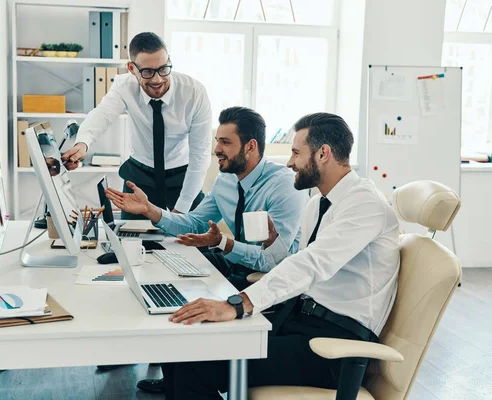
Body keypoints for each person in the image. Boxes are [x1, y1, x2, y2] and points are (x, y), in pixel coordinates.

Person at [152, 112, 401, 399]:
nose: (290, 162)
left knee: (196, 369)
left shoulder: (364, 204)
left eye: (296, 152)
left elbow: (313, 264)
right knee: (193, 344)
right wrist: (273, 245)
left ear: (323, 154)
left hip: (334, 344)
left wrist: (240, 303)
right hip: (298, 320)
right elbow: (297, 264)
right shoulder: (319, 202)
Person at [106, 106, 308, 290]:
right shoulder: (226, 180)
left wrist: (223, 243)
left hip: (267, 281)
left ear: (250, 146)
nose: (217, 149)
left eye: (226, 142)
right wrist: (150, 209)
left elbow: (273, 260)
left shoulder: (285, 186)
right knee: (157, 274)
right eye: (217, 141)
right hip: (235, 264)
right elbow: (195, 224)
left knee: (183, 294)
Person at [61, 32, 212, 219]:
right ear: (132, 68)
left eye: (164, 69)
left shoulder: (194, 93)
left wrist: (180, 211)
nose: (157, 79)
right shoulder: (124, 85)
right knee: (130, 239)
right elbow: (102, 115)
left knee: (196, 240)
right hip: (140, 177)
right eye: (148, 72)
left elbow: (200, 155)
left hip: (183, 176)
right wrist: (82, 143)